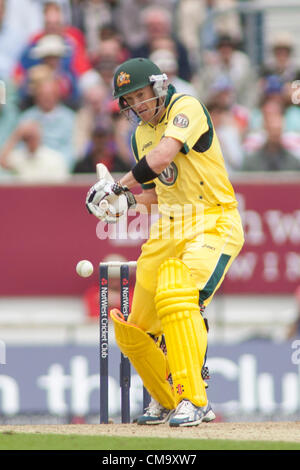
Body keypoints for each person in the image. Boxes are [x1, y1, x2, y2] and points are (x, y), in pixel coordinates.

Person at [85, 57, 244, 427]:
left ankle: (194, 398)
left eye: (140, 94)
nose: (136, 105)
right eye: (128, 100)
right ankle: (165, 396)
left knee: (178, 294)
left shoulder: (185, 107)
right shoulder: (140, 134)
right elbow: (157, 190)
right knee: (137, 326)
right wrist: (124, 201)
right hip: (169, 228)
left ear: (157, 87)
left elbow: (164, 156)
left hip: (211, 219)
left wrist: (119, 184)